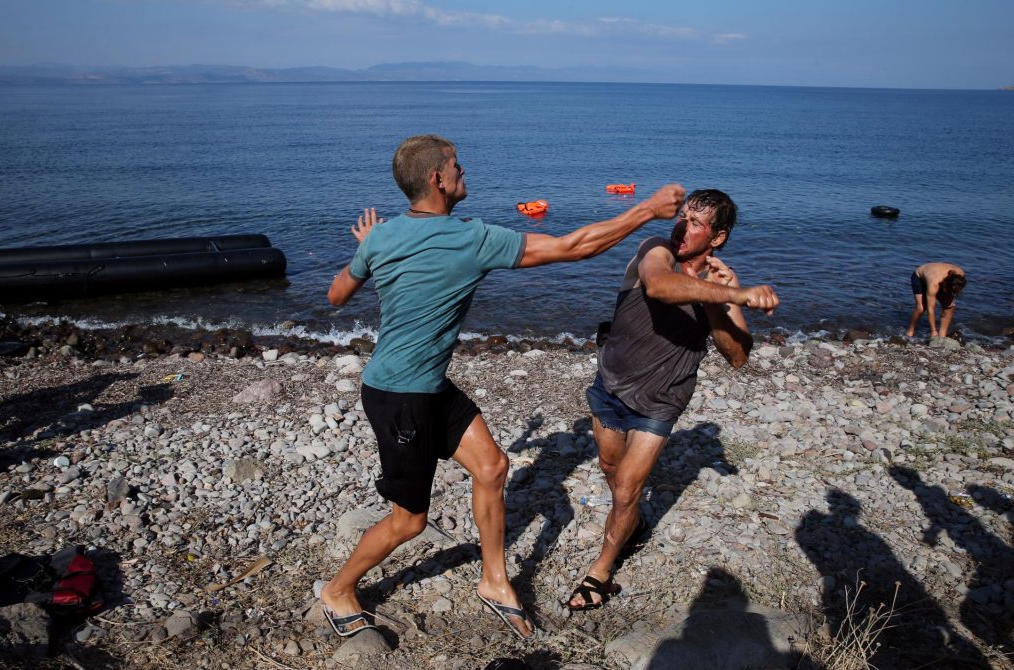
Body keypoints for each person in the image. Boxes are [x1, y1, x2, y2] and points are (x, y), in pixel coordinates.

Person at [321, 134, 686, 640]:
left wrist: (372, 252)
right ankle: (338, 590)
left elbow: (337, 295)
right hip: (399, 397)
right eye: (456, 165)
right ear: (437, 179)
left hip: (425, 384)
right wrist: (646, 210)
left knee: (492, 467)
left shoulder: (382, 237)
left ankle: (495, 581)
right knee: (409, 522)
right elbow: (574, 246)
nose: (463, 170)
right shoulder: (470, 239)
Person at [567, 189, 779, 610]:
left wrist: (722, 299)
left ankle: (601, 572)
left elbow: (737, 356)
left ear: (717, 238)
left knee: (627, 488)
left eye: (697, 223)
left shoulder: (720, 284)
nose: (683, 226)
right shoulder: (655, 249)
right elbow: (661, 287)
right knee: (611, 468)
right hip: (611, 382)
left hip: (664, 397)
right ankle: (634, 523)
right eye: (683, 216)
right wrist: (736, 295)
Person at [905, 262, 966, 339]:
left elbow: (955, 287)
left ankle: (942, 334)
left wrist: (951, 298)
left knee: (949, 307)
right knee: (921, 308)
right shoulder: (934, 284)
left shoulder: (960, 274)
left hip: (941, 279)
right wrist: (933, 330)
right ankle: (910, 330)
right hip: (919, 277)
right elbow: (931, 309)